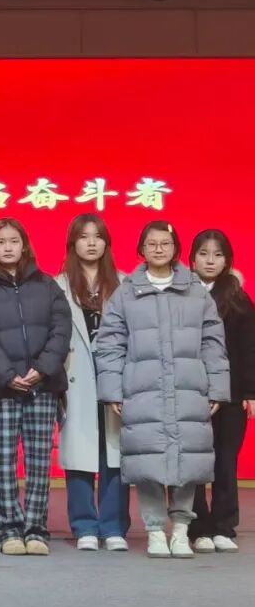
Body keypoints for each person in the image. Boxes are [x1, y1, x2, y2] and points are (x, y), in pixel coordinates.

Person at [96, 221, 230, 559]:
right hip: (143, 391)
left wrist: (217, 388)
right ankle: (155, 531)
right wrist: (113, 391)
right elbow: (110, 344)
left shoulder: (195, 291)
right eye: (152, 244)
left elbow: (213, 343)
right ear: (141, 249)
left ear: (175, 249)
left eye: (165, 243)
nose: (158, 249)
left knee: (187, 463)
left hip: (189, 389)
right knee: (149, 463)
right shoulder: (126, 292)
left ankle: (181, 531)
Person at [0, 218, 71, 557]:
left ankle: (36, 529)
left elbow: (61, 330)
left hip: (42, 386)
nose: (8, 247)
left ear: (24, 245)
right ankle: (7, 528)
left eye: (14, 241)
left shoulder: (47, 285)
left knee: (39, 462)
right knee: (3, 461)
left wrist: (41, 370)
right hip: (1, 387)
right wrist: (7, 373)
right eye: (1, 242)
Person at [56, 214, 130, 552]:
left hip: (117, 377)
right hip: (77, 379)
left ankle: (113, 526)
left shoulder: (125, 284)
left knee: (115, 454)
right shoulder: (58, 286)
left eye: (97, 236)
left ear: (106, 243)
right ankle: (84, 524)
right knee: (80, 454)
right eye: (84, 236)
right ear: (73, 243)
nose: (91, 243)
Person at [188, 229, 255, 553]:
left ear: (227, 260)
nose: (210, 260)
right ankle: (198, 527)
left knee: (225, 461)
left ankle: (224, 527)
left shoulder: (238, 299)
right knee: (194, 463)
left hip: (231, 394)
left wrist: (251, 392)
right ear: (192, 259)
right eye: (203, 254)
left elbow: (249, 349)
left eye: (217, 255)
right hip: (192, 391)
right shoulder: (182, 294)